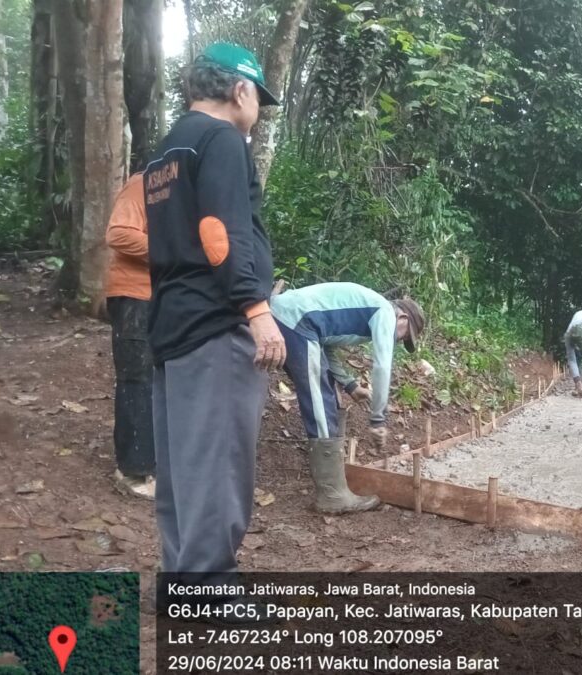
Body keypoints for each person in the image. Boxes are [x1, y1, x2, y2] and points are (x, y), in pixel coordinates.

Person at [144, 42, 285, 611]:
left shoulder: (164, 151)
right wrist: (257, 311)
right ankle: (210, 590)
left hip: (171, 321)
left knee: (183, 463)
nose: (258, 113)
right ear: (241, 89)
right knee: (220, 458)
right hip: (214, 324)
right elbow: (223, 233)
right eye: (259, 101)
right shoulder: (223, 139)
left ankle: (182, 581)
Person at [269, 282, 425, 514]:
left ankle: (333, 488)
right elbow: (382, 366)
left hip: (297, 321)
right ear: (402, 316)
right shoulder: (384, 311)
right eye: (405, 335)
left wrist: (351, 385)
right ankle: (332, 496)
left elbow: (326, 345)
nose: (400, 341)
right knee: (320, 403)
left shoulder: (363, 312)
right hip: (295, 320)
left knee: (326, 394)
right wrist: (378, 420)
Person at [104, 172, 156, 500]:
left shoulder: (191, 194)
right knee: (137, 377)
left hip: (167, 300)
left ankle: (156, 459)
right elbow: (119, 233)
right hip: (134, 294)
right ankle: (133, 470)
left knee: (162, 378)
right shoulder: (145, 184)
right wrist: (174, 252)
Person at [563, 309, 582, 398]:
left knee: (580, 356)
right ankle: (579, 385)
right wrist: (578, 382)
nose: (577, 348)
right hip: (578, 327)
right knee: (576, 358)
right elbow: (571, 359)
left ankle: (580, 385)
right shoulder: (568, 336)